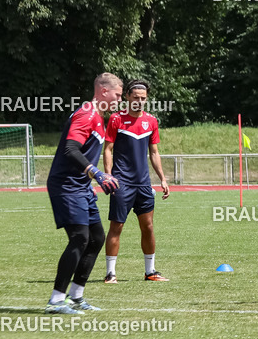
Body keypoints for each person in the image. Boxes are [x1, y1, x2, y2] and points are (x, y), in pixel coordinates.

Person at [45, 73, 123, 314]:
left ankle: (76, 297)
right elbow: (70, 149)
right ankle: (56, 301)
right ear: (103, 91)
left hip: (80, 186)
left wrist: (88, 182)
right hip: (66, 186)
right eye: (118, 95)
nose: (120, 100)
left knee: (96, 238)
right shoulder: (87, 113)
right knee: (79, 238)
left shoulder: (98, 117)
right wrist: (96, 173)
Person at [103, 80, 170, 283]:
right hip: (121, 183)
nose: (139, 101)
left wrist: (163, 178)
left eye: (143, 98)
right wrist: (108, 176)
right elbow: (108, 149)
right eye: (135, 97)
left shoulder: (151, 121)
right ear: (127, 97)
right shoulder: (116, 119)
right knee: (117, 226)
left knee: (148, 227)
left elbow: (154, 152)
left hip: (143, 184)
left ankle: (150, 272)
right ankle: (110, 273)